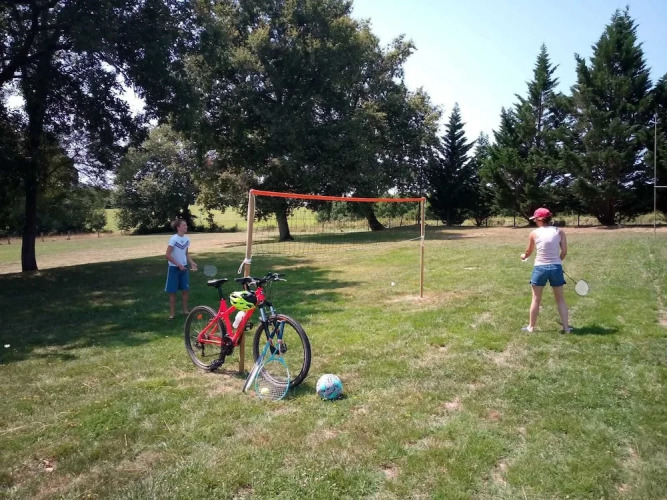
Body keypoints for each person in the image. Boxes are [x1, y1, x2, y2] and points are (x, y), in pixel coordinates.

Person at [520, 208, 572, 333]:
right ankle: (566, 328)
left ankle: (531, 328)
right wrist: (557, 261)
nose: (535, 222)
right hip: (556, 268)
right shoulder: (559, 231)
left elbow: (529, 251)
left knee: (536, 299)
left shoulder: (534, 233)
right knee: (560, 299)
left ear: (540, 219)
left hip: (540, 268)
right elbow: (564, 251)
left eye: (535, 219)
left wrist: (524, 256)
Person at [165, 219, 197, 319]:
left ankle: (185, 310)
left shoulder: (187, 239)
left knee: (185, 290)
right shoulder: (173, 239)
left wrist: (192, 262)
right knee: (172, 292)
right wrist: (178, 264)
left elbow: (186, 253)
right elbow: (167, 255)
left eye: (186, 225)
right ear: (178, 227)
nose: (186, 227)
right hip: (173, 268)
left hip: (184, 268)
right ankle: (172, 314)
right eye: (184, 225)